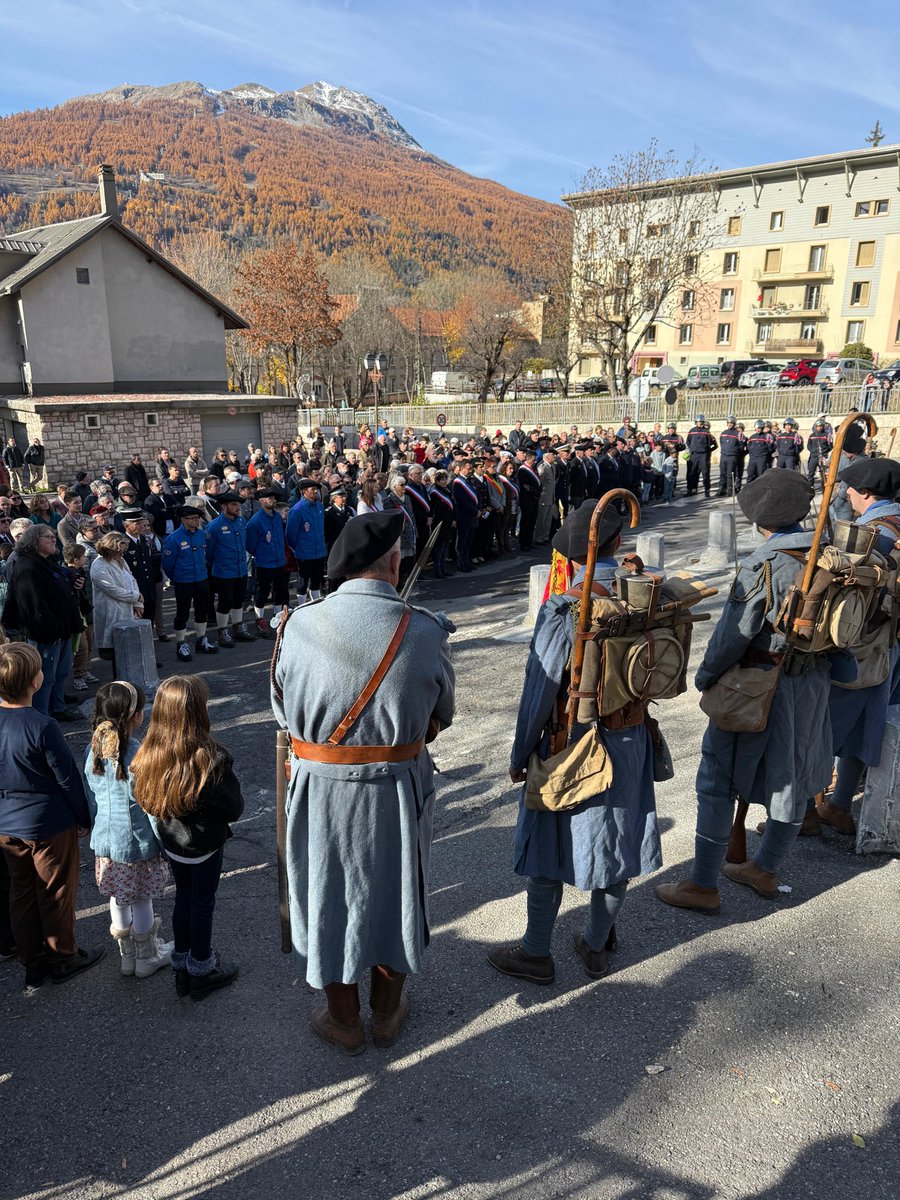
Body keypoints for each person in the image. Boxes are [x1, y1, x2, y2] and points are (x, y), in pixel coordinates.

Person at [272, 511, 455, 1053]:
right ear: (394, 563)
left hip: (320, 792)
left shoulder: (294, 626)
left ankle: (343, 1020)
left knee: (328, 893)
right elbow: (442, 713)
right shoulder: (424, 629)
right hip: (398, 790)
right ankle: (387, 1010)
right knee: (398, 891)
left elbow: (282, 714)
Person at [487, 501, 661, 986]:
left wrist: (522, 753)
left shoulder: (566, 605)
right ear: (617, 544)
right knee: (617, 844)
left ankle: (536, 952)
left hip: (570, 741)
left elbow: (539, 687)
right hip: (630, 737)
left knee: (546, 845)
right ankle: (596, 941)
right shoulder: (648, 594)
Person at [656, 472, 832, 913]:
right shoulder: (828, 556)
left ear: (760, 523)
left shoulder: (767, 564)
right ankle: (765, 869)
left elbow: (734, 634)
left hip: (756, 687)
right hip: (810, 681)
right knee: (791, 775)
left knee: (716, 782)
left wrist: (705, 677)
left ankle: (701, 884)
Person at [0, 642, 106, 989]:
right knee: (55, 892)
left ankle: (33, 960)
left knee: (21, 891)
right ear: (34, 681)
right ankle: (62, 956)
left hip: (6, 823)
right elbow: (68, 780)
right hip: (47, 824)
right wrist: (85, 817)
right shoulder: (42, 726)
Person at [132, 676, 244, 1001]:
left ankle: (181, 963)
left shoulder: (148, 752)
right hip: (205, 846)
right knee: (202, 903)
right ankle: (201, 967)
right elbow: (234, 808)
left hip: (173, 844)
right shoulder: (211, 758)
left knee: (183, 897)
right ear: (199, 711)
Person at [817, 458, 900, 835]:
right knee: (868, 725)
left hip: (861, 642)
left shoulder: (871, 534)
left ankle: (804, 810)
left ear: (866, 492)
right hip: (891, 643)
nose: (846, 492)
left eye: (850, 487)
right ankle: (838, 805)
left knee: (823, 727)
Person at [84, 681, 173, 978]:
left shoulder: (93, 749)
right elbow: (149, 806)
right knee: (142, 899)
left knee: (119, 898)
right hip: (136, 843)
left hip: (106, 842)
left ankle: (127, 956)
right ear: (135, 715)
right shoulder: (138, 753)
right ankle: (147, 956)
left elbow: (92, 797)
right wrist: (164, 842)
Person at [2, 524, 84, 719]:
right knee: (43, 677)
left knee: (61, 673)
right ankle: (41, 716)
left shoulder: (47, 560)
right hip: (47, 634)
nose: (53, 539)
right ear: (33, 541)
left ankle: (58, 708)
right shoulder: (28, 567)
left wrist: (73, 579)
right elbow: (34, 607)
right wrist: (50, 632)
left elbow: (59, 582)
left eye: (53, 536)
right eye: (47, 537)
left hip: (61, 629)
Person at [162, 506, 218, 661]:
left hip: (201, 578)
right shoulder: (174, 538)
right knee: (182, 613)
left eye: (197, 518)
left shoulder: (202, 534)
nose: (196, 521)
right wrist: (177, 576)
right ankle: (181, 643)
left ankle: (201, 639)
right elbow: (167, 564)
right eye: (193, 518)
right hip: (183, 581)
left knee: (202, 610)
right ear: (183, 519)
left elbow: (208, 555)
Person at [206, 490, 254, 647]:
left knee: (238, 600)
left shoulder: (241, 521)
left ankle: (238, 627)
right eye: (233, 504)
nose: (237, 507)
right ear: (223, 506)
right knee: (225, 602)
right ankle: (222, 631)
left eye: (238, 504)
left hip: (240, 569)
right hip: (223, 571)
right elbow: (209, 552)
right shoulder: (214, 526)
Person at [90, 532, 143, 671]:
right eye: (119, 551)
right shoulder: (98, 566)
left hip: (127, 610)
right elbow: (112, 589)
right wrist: (135, 597)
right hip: (111, 612)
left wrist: (137, 603)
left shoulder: (120, 560)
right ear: (109, 549)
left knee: (129, 653)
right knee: (117, 655)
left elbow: (132, 580)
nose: (122, 554)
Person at [246, 488, 288, 636]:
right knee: (262, 591)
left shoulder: (277, 517)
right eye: (269, 498)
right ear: (262, 501)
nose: (273, 500)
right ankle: (259, 619)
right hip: (264, 562)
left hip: (279, 561)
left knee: (280, 590)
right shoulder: (255, 521)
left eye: (273, 498)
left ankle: (277, 619)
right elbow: (250, 545)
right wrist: (262, 554)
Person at [286, 480, 328, 604]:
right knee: (303, 581)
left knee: (316, 580)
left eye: (316, 489)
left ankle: (315, 604)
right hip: (304, 552)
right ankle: (302, 605)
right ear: (304, 492)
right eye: (312, 489)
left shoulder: (319, 506)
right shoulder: (297, 510)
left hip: (319, 551)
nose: (316, 491)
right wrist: (298, 548)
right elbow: (290, 535)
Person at [685, 416, 716, 498]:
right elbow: (688, 442)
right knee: (692, 473)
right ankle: (690, 490)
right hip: (694, 454)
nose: (700, 423)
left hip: (703, 455)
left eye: (701, 422)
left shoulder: (706, 432)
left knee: (705, 473)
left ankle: (707, 490)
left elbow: (710, 444)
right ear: (696, 422)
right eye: (699, 422)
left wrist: (707, 451)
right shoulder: (691, 431)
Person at [717, 416, 744, 496]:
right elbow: (721, 443)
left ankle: (729, 489)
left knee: (730, 473)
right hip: (724, 455)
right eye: (728, 423)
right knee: (722, 473)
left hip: (732, 456)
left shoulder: (738, 434)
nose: (730, 424)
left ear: (734, 424)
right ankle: (721, 488)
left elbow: (741, 446)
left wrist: (734, 451)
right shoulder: (723, 433)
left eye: (731, 423)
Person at [745, 420, 774, 484]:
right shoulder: (752, 437)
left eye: (760, 428)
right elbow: (748, 447)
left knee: (761, 475)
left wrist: (763, 454)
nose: (758, 430)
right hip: (753, 458)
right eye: (757, 428)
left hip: (761, 459)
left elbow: (770, 448)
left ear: (762, 428)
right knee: (750, 474)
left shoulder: (767, 436)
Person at [806, 419, 833, 486]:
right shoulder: (812, 435)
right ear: (816, 427)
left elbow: (830, 446)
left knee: (823, 473)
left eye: (821, 426)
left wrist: (825, 452)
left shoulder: (827, 435)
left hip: (823, 456)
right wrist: (813, 451)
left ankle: (825, 486)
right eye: (818, 426)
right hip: (814, 456)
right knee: (811, 471)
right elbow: (809, 445)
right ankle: (810, 486)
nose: (819, 427)